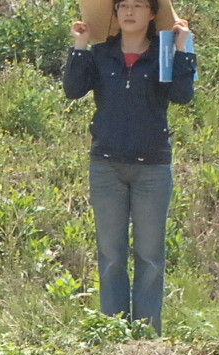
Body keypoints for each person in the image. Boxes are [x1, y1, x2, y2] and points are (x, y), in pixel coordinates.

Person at [65, 0, 194, 334]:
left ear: (152, 14)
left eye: (139, 5)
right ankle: (114, 330)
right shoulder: (101, 53)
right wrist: (79, 46)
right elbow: (73, 89)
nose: (129, 12)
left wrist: (183, 48)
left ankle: (147, 334)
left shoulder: (162, 52)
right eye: (123, 5)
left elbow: (181, 94)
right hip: (107, 164)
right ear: (115, 13)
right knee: (111, 256)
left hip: (152, 166)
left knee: (150, 256)